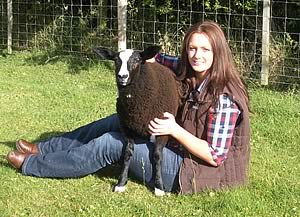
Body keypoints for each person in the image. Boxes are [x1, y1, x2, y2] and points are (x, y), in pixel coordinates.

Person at [6, 20, 250, 194]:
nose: (197, 55)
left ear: (218, 52)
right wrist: (135, 58)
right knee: (115, 121)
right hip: (171, 140)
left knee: (112, 143)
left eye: (205, 49)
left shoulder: (224, 97)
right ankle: (42, 148)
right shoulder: (191, 68)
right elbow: (158, 59)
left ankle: (33, 165)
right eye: (192, 48)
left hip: (191, 170)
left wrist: (175, 130)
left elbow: (214, 156)